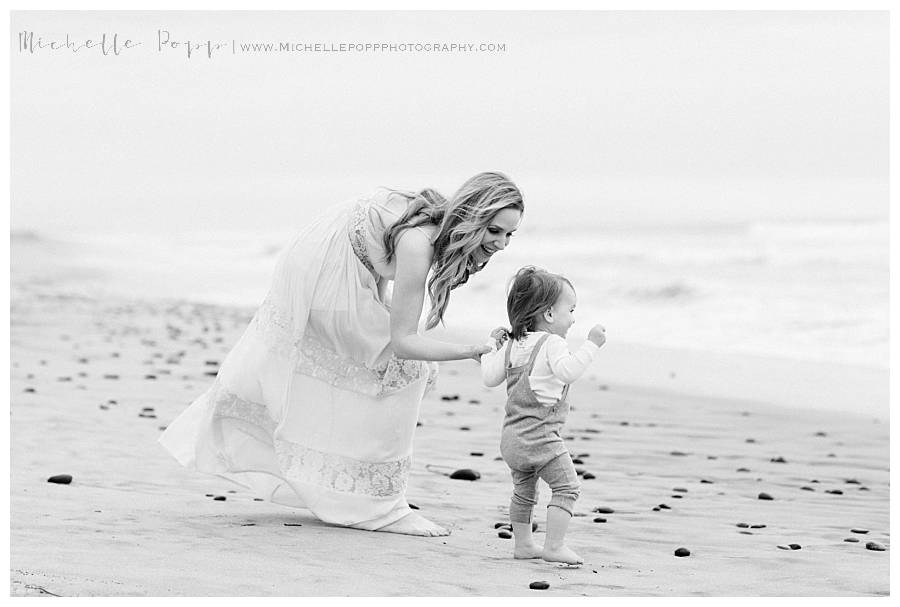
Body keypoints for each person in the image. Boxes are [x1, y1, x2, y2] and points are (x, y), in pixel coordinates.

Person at [159, 172, 523, 537]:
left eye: (510, 234)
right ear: (472, 214)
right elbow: (404, 342)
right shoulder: (419, 242)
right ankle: (382, 508)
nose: (502, 243)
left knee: (401, 370)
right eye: (494, 230)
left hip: (343, 267)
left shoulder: (430, 228)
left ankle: (347, 489)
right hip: (326, 273)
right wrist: (469, 350)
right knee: (405, 370)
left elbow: (373, 251)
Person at [480, 266, 606, 564]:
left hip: (512, 439)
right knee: (567, 487)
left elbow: (489, 377)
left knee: (524, 492)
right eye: (571, 310)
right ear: (549, 315)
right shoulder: (552, 343)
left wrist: (490, 346)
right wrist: (592, 344)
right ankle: (554, 546)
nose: (573, 318)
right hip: (541, 438)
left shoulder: (513, 344)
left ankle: (523, 545)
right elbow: (569, 371)